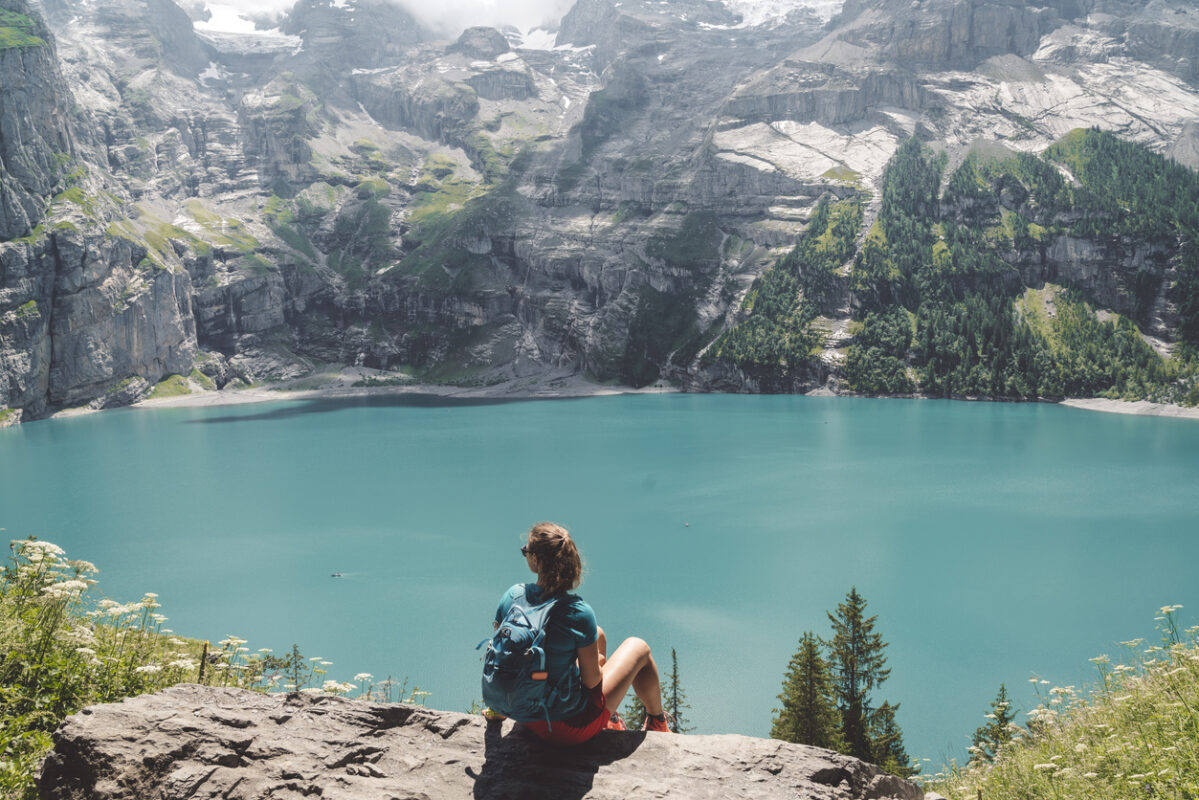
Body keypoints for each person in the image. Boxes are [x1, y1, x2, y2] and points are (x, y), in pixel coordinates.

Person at [490, 521, 672, 745]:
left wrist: (498, 709)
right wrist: (596, 662)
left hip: (525, 713)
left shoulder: (513, 595)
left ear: (536, 560)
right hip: (567, 729)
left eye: (525, 551)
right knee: (639, 647)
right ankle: (657, 723)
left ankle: (612, 718)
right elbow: (592, 682)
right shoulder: (578, 612)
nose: (526, 554)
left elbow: (501, 659)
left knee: (598, 634)